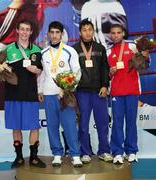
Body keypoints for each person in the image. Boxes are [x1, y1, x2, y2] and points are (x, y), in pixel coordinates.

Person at [0, 0, 62, 110]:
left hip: (23, 75)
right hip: (4, 69)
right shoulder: (13, 13)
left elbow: (27, 45)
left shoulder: (39, 13)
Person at [0, 19, 46, 168]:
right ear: (17, 30)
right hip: (12, 95)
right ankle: (18, 157)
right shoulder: (8, 49)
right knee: (16, 127)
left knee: (34, 126)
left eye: (27, 29)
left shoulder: (36, 49)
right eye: (22, 29)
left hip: (30, 94)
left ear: (31, 32)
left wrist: (35, 70)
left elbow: (40, 70)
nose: (24, 32)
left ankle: (34, 157)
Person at [38, 21, 82, 167]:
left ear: (62, 34)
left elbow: (77, 72)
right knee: (52, 126)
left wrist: (69, 88)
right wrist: (40, 90)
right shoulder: (43, 53)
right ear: (49, 34)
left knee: (69, 125)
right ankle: (57, 154)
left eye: (58, 32)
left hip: (66, 95)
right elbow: (42, 74)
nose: (55, 35)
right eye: (52, 32)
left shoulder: (70, 51)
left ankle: (75, 154)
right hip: (49, 94)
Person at [107, 24, 149, 164]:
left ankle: (131, 151)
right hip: (116, 93)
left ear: (123, 33)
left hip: (132, 91)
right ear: (110, 35)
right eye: (113, 33)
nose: (116, 35)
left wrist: (146, 56)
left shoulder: (133, 46)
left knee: (131, 122)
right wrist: (110, 72)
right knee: (117, 123)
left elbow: (145, 65)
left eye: (119, 32)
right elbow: (105, 75)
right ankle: (117, 152)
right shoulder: (108, 51)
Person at [72, 19, 113, 164]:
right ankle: (85, 152)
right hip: (82, 92)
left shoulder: (100, 48)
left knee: (102, 123)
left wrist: (104, 86)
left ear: (93, 31)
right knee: (83, 124)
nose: (87, 32)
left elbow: (105, 69)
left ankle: (104, 151)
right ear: (80, 32)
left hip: (99, 91)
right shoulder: (74, 49)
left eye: (90, 29)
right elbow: (72, 71)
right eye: (84, 30)